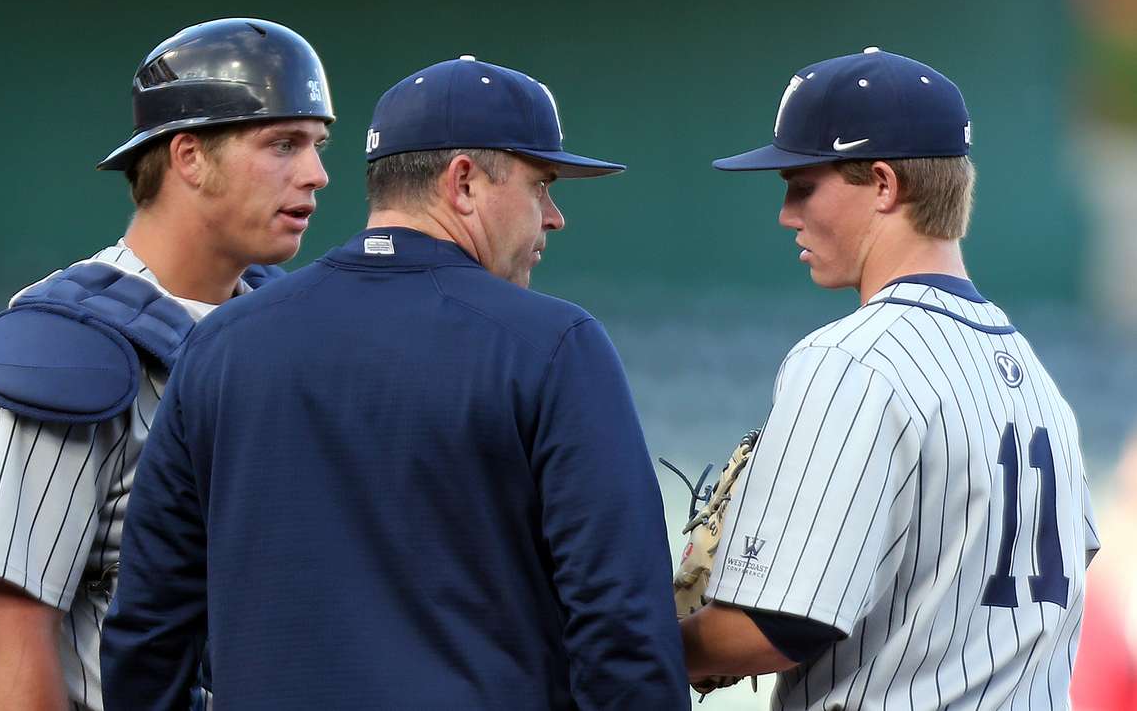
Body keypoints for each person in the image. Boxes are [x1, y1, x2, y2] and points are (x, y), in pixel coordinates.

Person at [100, 55, 689, 710]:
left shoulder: (222, 346)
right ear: (463, 182)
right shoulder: (554, 347)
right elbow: (623, 631)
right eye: (540, 183)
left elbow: (147, 633)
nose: (552, 216)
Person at [0, 17, 334, 710]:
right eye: (282, 144)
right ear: (189, 157)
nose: (316, 173)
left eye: (318, 145)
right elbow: (12, 642)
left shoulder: (299, 331)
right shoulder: (54, 356)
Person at [680, 47, 1100, 708]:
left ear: (882, 183)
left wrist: (639, 643)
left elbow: (782, 625)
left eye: (801, 185)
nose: (787, 213)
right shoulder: (1034, 378)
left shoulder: (852, 360)